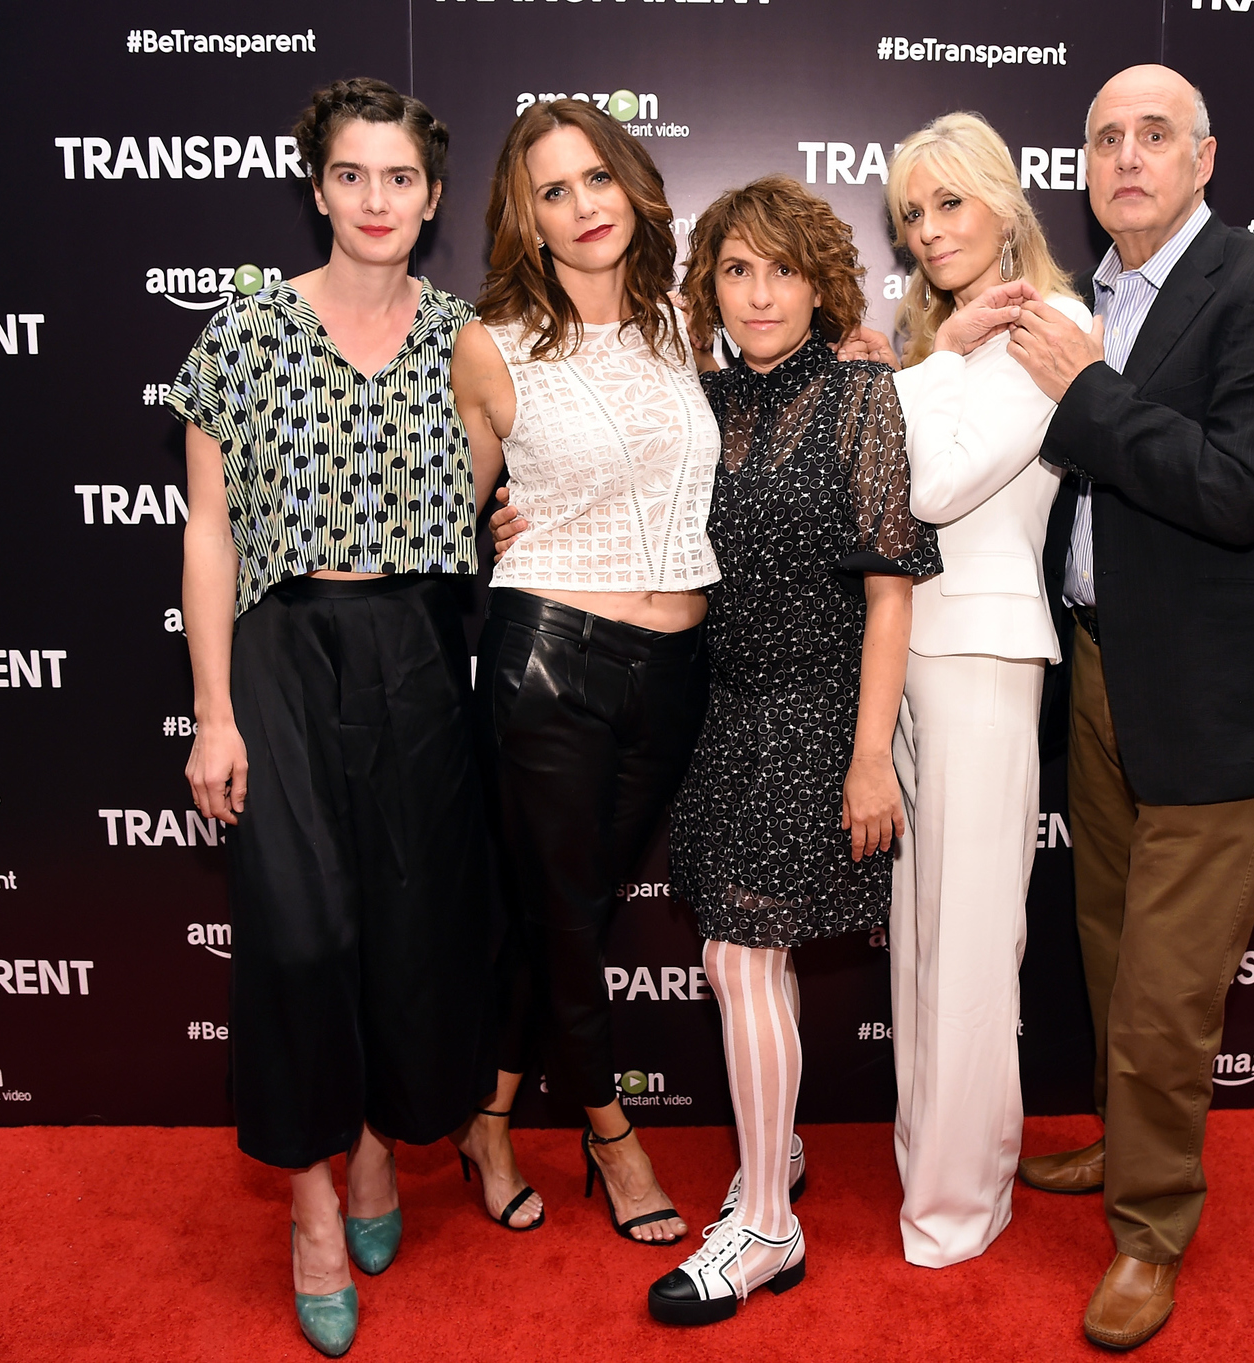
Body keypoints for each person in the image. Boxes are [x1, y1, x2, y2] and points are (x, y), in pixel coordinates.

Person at [171, 78, 514, 1358]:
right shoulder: (246, 331)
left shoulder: (465, 335)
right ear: (317, 187)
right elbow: (209, 529)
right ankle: (312, 1201)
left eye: (402, 179)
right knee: (301, 935)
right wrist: (212, 711)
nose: (377, 200)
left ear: (431, 199)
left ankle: (376, 1151)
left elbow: (530, 471)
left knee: (411, 927)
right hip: (280, 649)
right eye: (353, 175)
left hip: (423, 652)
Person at [1001, 65, 1254, 1351]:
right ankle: (1123, 1143)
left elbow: (1240, 486)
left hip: (1211, 692)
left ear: (1204, 159)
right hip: (1096, 667)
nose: (1125, 155)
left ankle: (1148, 1231)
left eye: (1154, 135)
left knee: (1164, 988)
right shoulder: (1080, 298)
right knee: (1102, 942)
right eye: (1103, 138)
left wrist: (1086, 388)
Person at [642, 175, 942, 1326]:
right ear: (707, 285)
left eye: (780, 270)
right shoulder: (698, 400)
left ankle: (767, 1221)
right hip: (721, 710)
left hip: (819, 711)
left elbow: (887, 597)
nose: (757, 294)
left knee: (735, 959)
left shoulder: (861, 392)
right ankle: (774, 1158)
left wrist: (871, 757)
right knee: (742, 959)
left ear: (820, 284)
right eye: (733, 270)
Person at [451, 98, 715, 1249]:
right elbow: (439, 509)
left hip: (678, 666)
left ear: (632, 184)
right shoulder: (487, 339)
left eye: (594, 178)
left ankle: (487, 1117)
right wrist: (490, 522)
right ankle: (610, 1133)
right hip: (547, 660)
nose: (581, 206)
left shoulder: (681, 320)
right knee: (565, 912)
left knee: (564, 912)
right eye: (552, 191)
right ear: (526, 217)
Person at [880, 112, 1094, 1270]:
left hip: (981, 655)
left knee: (965, 945)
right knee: (921, 940)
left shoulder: (1050, 324)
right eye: (912, 213)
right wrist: (941, 349)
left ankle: (958, 1207)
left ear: (1005, 206)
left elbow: (933, 482)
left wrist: (932, 358)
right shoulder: (954, 341)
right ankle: (935, 1170)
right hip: (909, 653)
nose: (928, 231)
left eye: (948, 203)